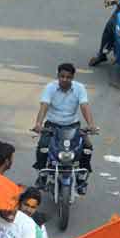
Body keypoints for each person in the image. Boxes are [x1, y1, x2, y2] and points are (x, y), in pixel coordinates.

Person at [31, 63, 99, 194]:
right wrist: (38, 124)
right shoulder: (50, 88)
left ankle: (81, 177)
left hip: (72, 125)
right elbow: (44, 106)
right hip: (52, 125)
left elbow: (84, 106)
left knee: (87, 147)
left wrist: (91, 125)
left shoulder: (80, 88)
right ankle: (42, 174)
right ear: (58, 76)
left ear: (73, 77)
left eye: (68, 77)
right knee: (43, 147)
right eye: (62, 76)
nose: (65, 79)